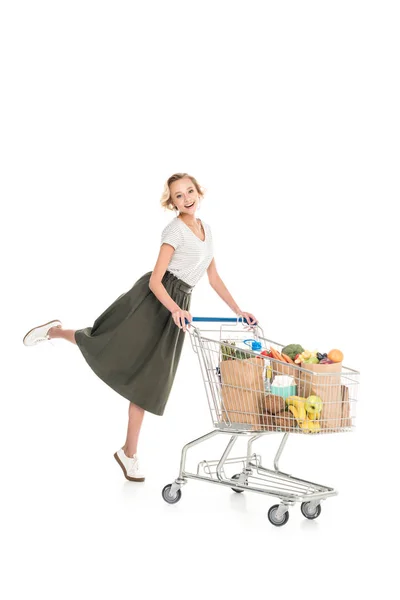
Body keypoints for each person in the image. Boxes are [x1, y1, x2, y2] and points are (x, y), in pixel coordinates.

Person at [22, 173, 258, 482]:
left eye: (189, 191)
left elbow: (213, 278)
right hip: (153, 303)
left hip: (179, 308)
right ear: (171, 202)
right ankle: (54, 331)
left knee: (150, 382)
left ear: (199, 192)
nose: (186, 198)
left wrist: (238, 310)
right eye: (178, 195)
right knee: (103, 342)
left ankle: (128, 452)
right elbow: (155, 280)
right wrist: (174, 308)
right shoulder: (174, 230)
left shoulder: (208, 231)